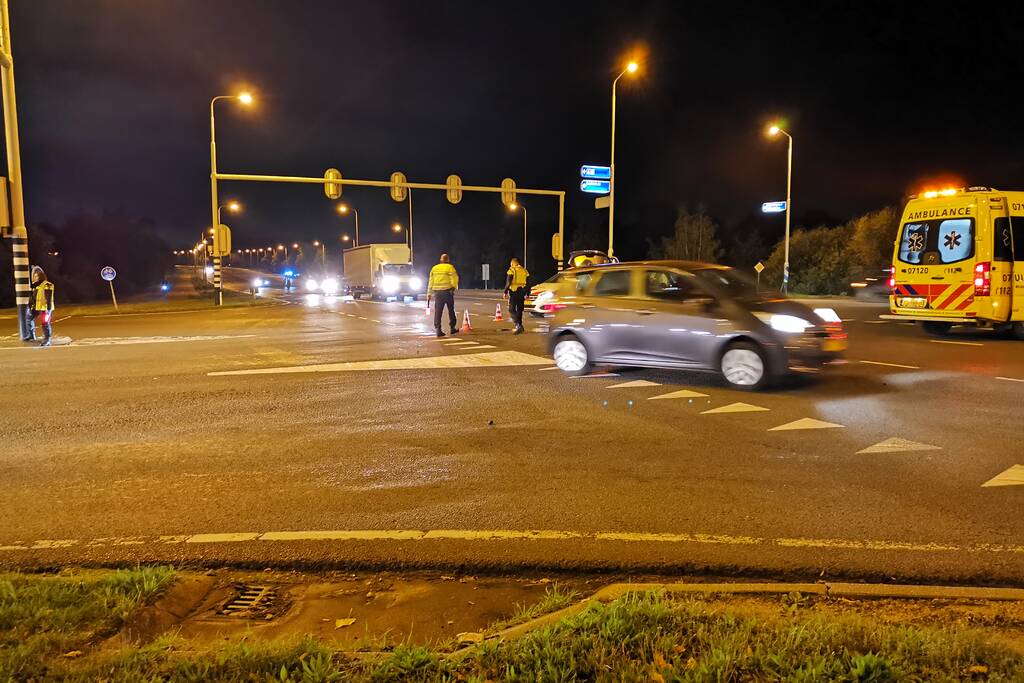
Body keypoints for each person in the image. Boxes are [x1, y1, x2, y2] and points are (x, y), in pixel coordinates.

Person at [427, 253, 459, 337]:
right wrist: (453, 288)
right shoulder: (450, 267)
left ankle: (438, 329)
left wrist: (429, 293)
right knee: (451, 310)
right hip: (447, 292)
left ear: (440, 260)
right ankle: (452, 328)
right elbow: (455, 279)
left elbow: (430, 281)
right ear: (448, 260)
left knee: (438, 311)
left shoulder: (434, 268)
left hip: (437, 293)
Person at [28, 266, 55, 347]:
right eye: (34, 276)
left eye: (37, 276)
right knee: (29, 318)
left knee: (45, 323)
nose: (35, 277)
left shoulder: (47, 284)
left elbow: (48, 298)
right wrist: (30, 306)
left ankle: (47, 340)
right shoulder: (36, 286)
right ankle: (32, 336)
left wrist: (48, 309)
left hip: (45, 308)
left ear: (41, 276)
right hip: (37, 307)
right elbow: (33, 298)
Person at [504, 257, 530, 334]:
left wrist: (505, 292)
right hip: (522, 291)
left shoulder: (511, 270)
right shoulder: (524, 270)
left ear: (512, 263)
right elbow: (528, 283)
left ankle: (518, 325)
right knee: (520, 309)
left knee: (511, 309)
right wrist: (528, 293)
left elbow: (508, 282)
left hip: (514, 291)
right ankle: (520, 325)